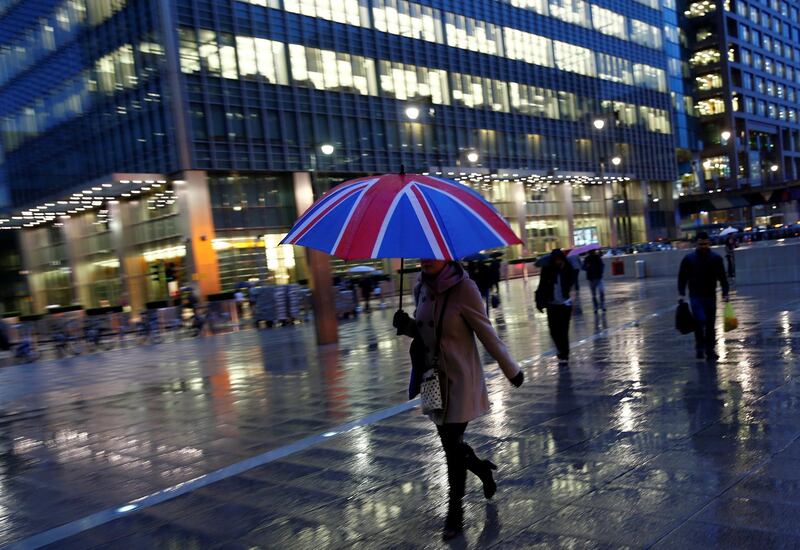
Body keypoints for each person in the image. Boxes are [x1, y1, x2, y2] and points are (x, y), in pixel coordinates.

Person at [393, 259, 523, 541]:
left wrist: (511, 369)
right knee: (451, 445)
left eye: (431, 255)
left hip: (460, 379)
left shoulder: (465, 288)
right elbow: (427, 332)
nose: (425, 260)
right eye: (421, 255)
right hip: (434, 380)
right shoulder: (420, 287)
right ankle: (481, 469)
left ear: (446, 255)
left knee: (451, 448)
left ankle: (455, 512)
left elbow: (486, 333)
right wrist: (408, 326)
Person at [678, 231, 730, 361]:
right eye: (701, 244)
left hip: (709, 295)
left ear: (709, 243)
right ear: (697, 243)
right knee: (702, 321)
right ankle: (704, 348)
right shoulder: (690, 259)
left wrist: (725, 292)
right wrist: (681, 293)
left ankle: (706, 348)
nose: (703, 246)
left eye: (705, 244)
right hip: (696, 295)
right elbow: (682, 277)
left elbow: (722, 277)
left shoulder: (715, 259)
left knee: (708, 323)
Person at [535, 249, 575, 363]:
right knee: (553, 330)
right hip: (552, 304)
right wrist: (539, 303)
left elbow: (572, 282)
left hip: (565, 304)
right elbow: (542, 286)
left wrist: (563, 269)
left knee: (563, 330)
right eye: (556, 259)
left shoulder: (568, 268)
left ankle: (564, 354)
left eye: (559, 259)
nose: (557, 261)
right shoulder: (547, 270)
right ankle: (560, 349)